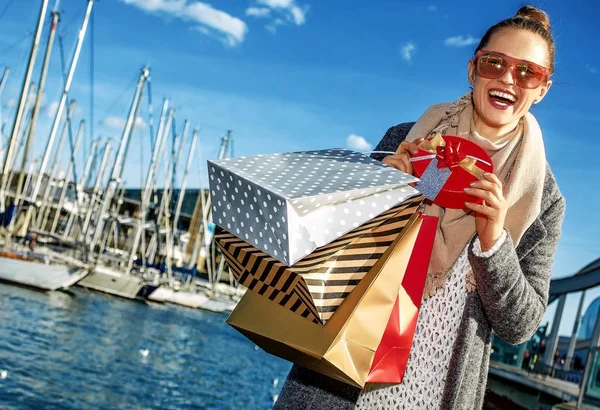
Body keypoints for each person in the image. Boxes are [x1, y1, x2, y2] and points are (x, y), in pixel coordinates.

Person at [273, 5, 565, 410]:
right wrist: (382, 195)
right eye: (494, 63)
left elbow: (520, 325)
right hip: (339, 384)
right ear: (472, 69)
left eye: (526, 72)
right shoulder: (407, 139)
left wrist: (494, 240)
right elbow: (332, 254)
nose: (506, 79)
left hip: (435, 392)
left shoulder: (542, 200)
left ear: (543, 87)